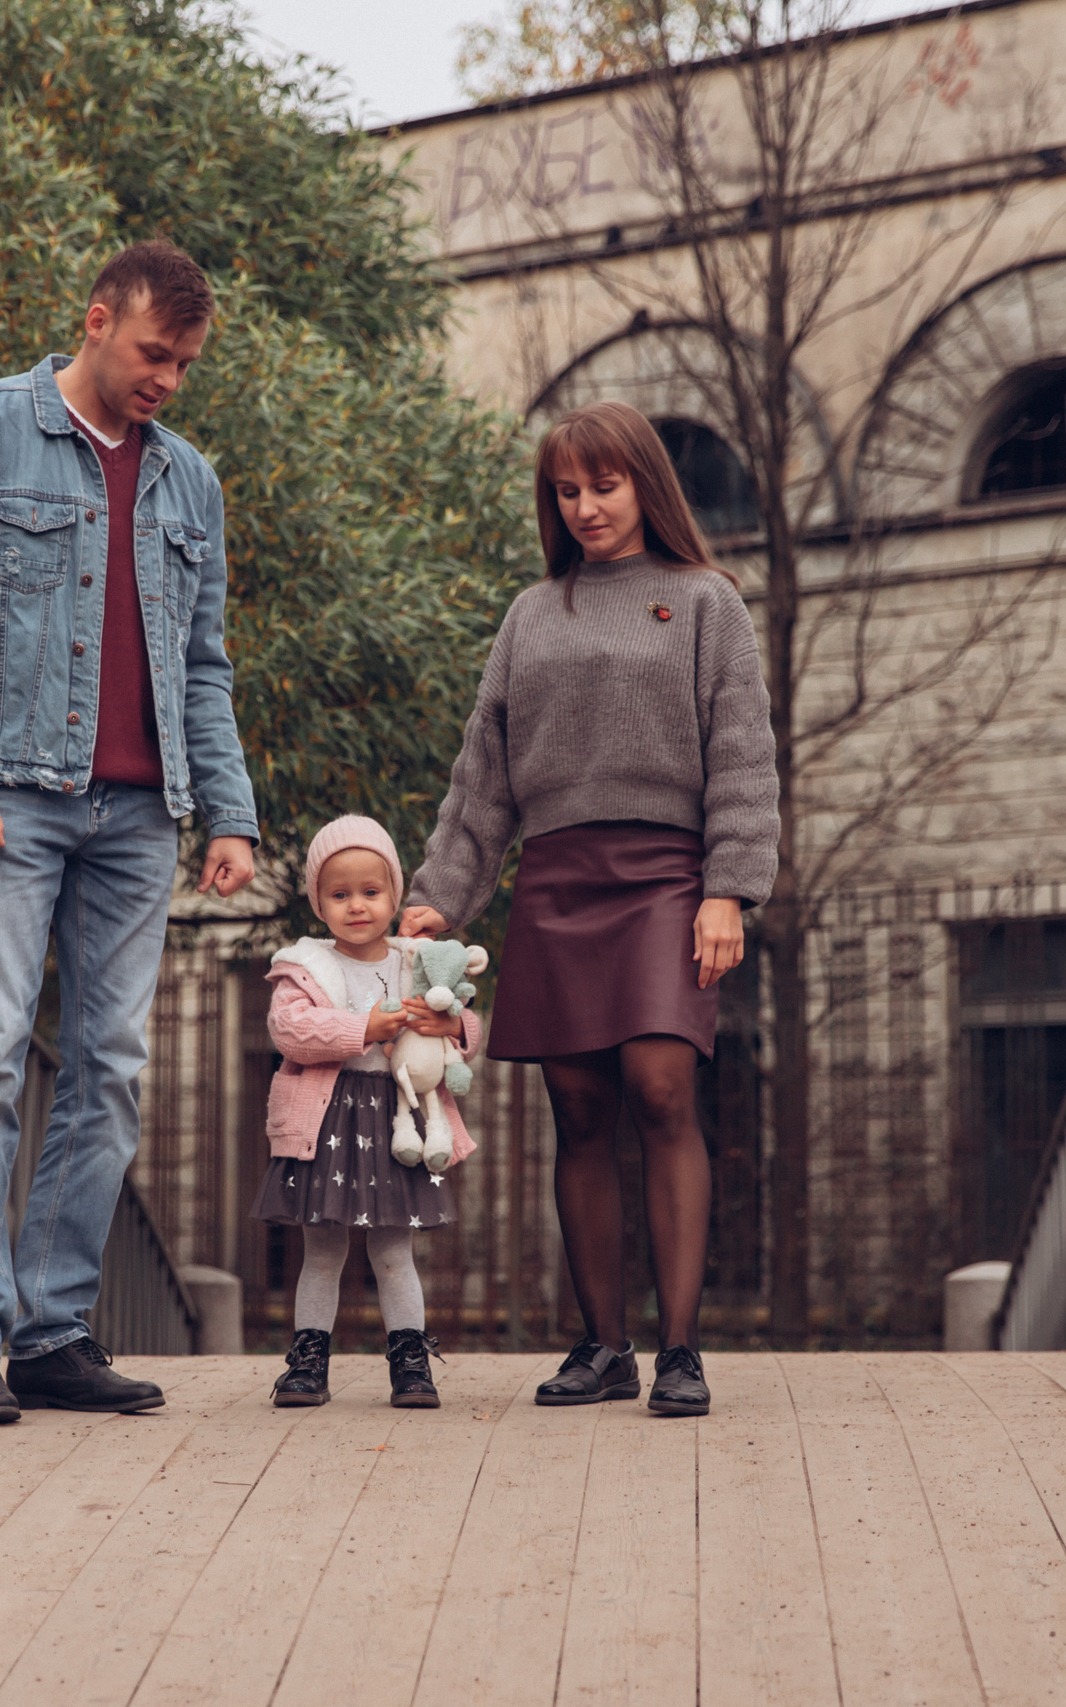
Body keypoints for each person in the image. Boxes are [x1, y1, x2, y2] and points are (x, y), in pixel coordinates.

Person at [0, 241, 260, 1426]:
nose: (169, 380)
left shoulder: (186, 482)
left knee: (109, 1073)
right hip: (9, 798)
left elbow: (203, 665)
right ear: (98, 321)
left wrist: (231, 813)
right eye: (156, 353)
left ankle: (52, 1332)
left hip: (141, 817)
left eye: (187, 364)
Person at [400, 401, 777, 1418]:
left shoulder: (705, 601)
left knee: (660, 1087)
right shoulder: (533, 613)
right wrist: (439, 895)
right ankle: (602, 1346)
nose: (584, 507)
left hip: (667, 876)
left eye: (603, 486)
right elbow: (484, 776)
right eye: (566, 492)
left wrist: (729, 890)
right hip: (558, 878)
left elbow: (742, 754)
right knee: (577, 1110)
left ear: (644, 483)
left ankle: (681, 1350)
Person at [256, 816, 480, 1410]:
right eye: (339, 894)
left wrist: (451, 1023)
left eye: (370, 892)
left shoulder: (419, 962)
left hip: (395, 1120)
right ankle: (308, 1361)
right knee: (322, 1248)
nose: (357, 905)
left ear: (395, 897)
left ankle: (409, 1362)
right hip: (328, 1123)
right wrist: (364, 1027)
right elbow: (290, 1031)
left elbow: (467, 1023)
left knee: (392, 1249)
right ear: (319, 903)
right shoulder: (304, 965)